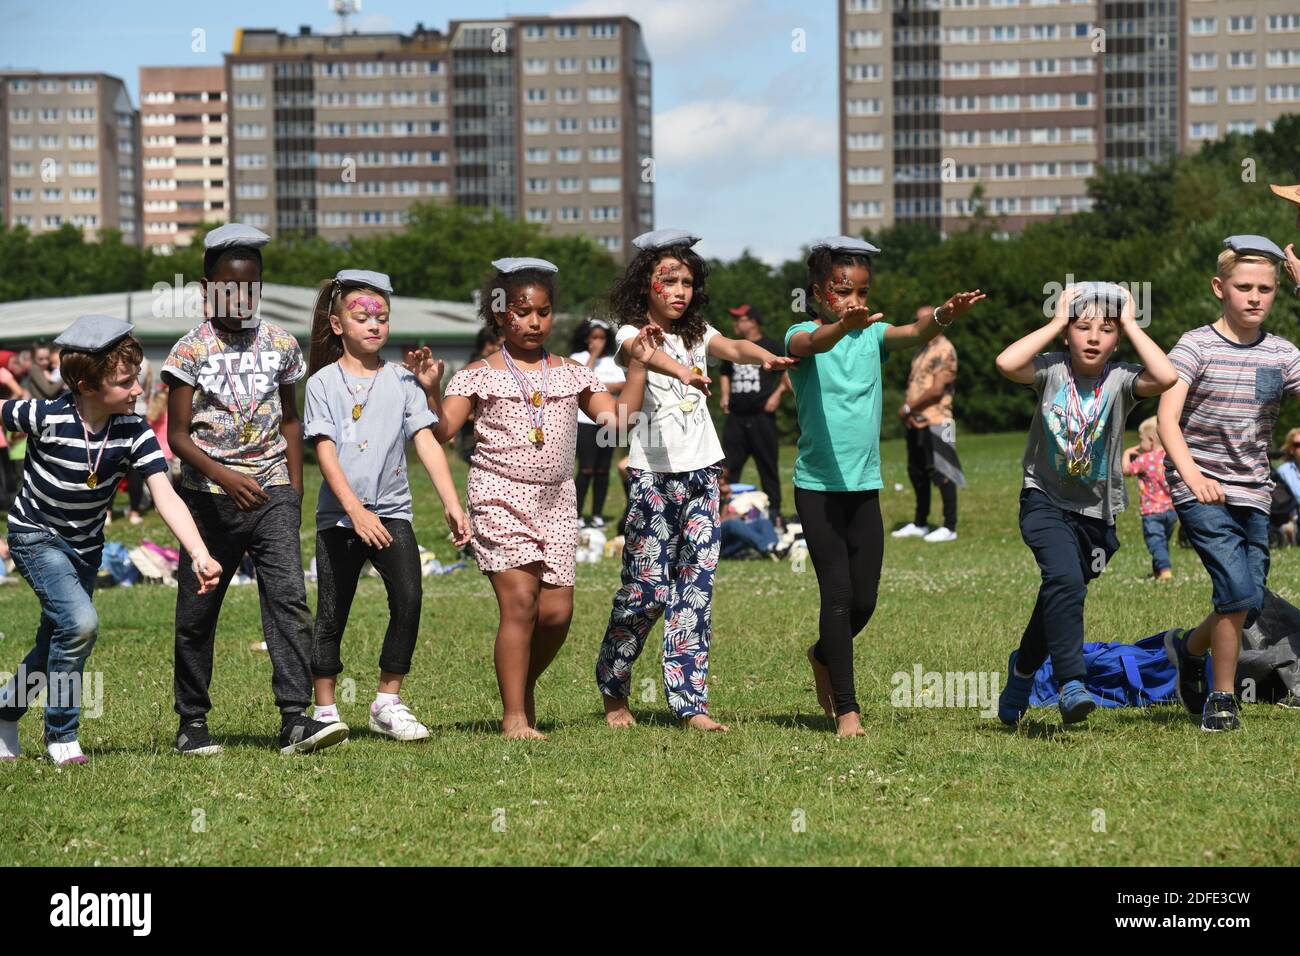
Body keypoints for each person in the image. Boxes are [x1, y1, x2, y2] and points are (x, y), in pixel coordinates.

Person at [424, 256, 656, 740]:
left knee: (556, 613)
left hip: (557, 500)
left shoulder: (571, 373)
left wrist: (637, 366)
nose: (534, 322)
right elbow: (443, 430)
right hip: (498, 495)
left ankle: (521, 681)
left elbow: (618, 422)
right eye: (521, 313)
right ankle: (514, 718)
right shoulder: (477, 375)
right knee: (521, 603)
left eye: (543, 313)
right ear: (500, 315)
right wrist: (429, 391)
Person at [594, 229, 796, 734]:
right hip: (650, 478)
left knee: (695, 592)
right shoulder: (628, 333)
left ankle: (690, 704)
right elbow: (649, 357)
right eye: (668, 281)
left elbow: (733, 345)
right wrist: (683, 372)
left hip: (704, 474)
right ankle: (614, 685)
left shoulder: (699, 332)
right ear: (647, 286)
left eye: (686, 281)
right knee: (645, 593)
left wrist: (764, 357)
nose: (679, 291)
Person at [0, 316, 221, 765]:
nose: (138, 390)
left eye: (136, 379)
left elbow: (165, 496)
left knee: (56, 640)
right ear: (85, 384)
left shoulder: (133, 431)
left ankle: (4, 711)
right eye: (125, 383)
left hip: (84, 549)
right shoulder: (46, 415)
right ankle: (62, 735)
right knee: (80, 625)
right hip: (35, 536)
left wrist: (199, 552)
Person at [786, 235, 985, 736]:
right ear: (817, 292)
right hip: (817, 488)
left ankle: (822, 653)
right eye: (842, 291)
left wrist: (944, 314)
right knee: (836, 594)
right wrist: (838, 326)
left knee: (865, 600)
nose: (855, 302)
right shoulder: (801, 332)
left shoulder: (873, 335)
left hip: (864, 486)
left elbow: (916, 332)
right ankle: (848, 708)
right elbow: (813, 344)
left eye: (861, 292)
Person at [163, 222, 348, 756]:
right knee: (198, 613)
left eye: (250, 288)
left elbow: (291, 421)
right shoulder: (189, 351)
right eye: (228, 288)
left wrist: (291, 487)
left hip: (271, 496)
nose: (240, 298)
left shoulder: (282, 344)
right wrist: (225, 477)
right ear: (206, 289)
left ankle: (295, 718)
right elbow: (177, 437)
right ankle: (192, 722)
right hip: (208, 501)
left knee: (288, 601)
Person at [995, 282, 1177, 726]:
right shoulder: (1051, 370)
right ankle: (1071, 682)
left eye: (1106, 329)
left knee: (1059, 595)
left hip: (1097, 515)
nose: (1093, 337)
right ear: (1067, 335)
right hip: (1044, 499)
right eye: (1082, 327)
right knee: (1064, 580)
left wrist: (1132, 322)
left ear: (1117, 339)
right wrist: (1057, 318)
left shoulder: (1122, 379)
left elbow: (1167, 376)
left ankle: (1021, 673)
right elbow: (1006, 363)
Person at [303, 270, 470, 741]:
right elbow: (325, 452)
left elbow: (429, 441)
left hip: (392, 511)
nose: (374, 325)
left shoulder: (403, 379)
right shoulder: (322, 383)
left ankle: (386, 702)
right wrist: (355, 512)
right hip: (341, 516)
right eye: (362, 317)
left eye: (382, 318)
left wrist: (452, 504)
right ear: (339, 326)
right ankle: (325, 710)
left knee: (410, 598)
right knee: (334, 609)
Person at [1159, 235, 1300, 732]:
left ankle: (1187, 650)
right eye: (1244, 287)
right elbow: (1167, 418)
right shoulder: (1195, 346)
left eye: (1266, 288)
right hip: (1198, 488)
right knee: (1236, 590)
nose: (1255, 296)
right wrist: (1193, 477)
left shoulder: (1284, 354)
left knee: (1249, 600)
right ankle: (1222, 699)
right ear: (1220, 288)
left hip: (1254, 492)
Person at [892, 309, 963, 542]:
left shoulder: (945, 349)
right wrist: (910, 411)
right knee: (917, 473)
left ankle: (949, 526)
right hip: (916, 422)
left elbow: (936, 390)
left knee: (943, 472)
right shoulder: (922, 350)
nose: (918, 323)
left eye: (923, 319)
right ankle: (920, 523)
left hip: (938, 419)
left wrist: (908, 407)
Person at [719, 304, 790, 529]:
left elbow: (788, 369)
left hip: (762, 417)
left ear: (752, 321)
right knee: (727, 467)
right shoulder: (732, 347)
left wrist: (777, 395)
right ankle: (722, 513)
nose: (736, 324)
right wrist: (724, 395)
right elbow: (724, 372)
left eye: (740, 319)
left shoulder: (770, 346)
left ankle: (774, 515)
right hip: (736, 418)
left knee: (767, 465)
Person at [570, 317, 625, 529]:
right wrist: (592, 357)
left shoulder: (613, 361)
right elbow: (580, 381)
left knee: (603, 470)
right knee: (586, 469)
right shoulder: (578, 357)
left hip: (608, 421)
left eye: (602, 338)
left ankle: (597, 514)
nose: (598, 342)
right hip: (583, 422)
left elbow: (622, 384)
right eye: (594, 337)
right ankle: (576, 514)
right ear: (586, 339)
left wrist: (597, 384)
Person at [1122, 416, 1175, 579]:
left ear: (1151, 440)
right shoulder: (1169, 456)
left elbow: (1126, 471)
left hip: (1152, 511)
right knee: (1162, 542)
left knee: (1154, 541)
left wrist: (1126, 453)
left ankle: (1165, 571)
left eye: (1141, 439)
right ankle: (1158, 572)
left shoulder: (1145, 459)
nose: (1139, 443)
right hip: (1171, 511)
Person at [124, 355, 153, 524]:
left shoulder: (115, 359)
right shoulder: (146, 362)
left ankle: (109, 512)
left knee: (113, 460)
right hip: (140, 411)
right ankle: (134, 511)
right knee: (136, 464)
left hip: (120, 411)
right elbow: (147, 390)